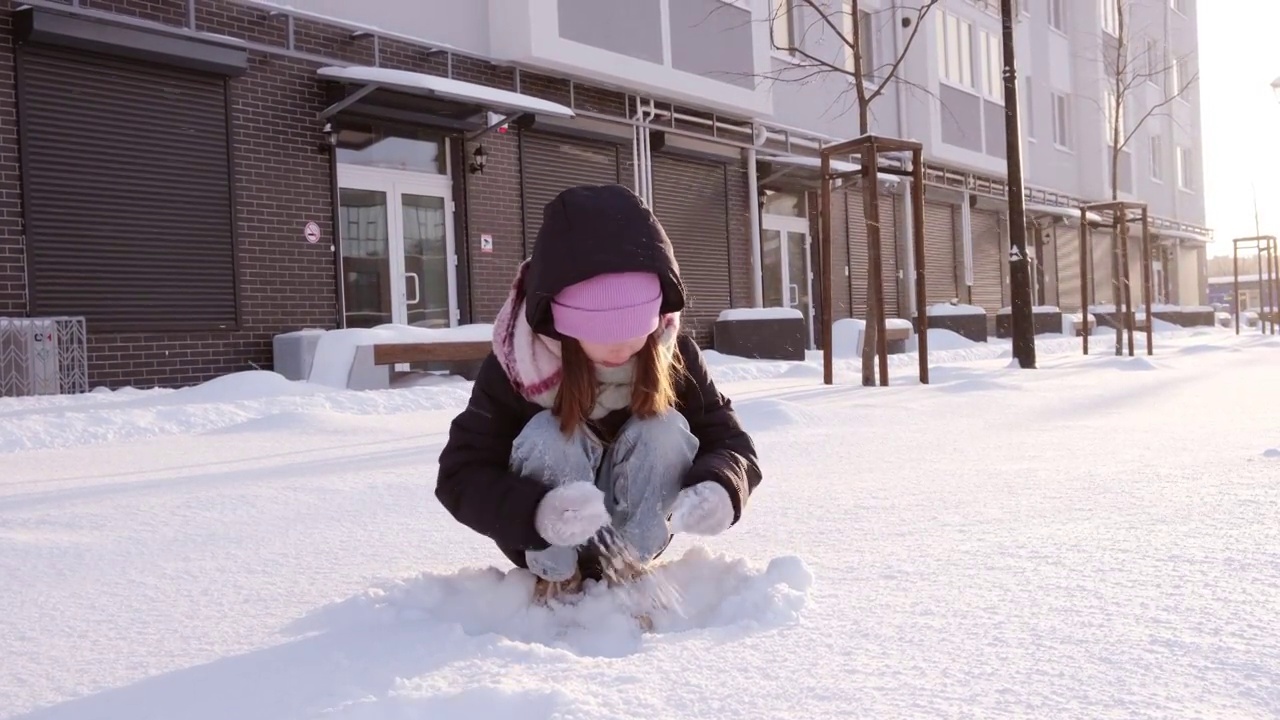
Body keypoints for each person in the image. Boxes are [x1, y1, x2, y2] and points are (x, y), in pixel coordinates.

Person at [435, 183, 762, 598]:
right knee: (550, 436)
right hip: (545, 544)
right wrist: (536, 514)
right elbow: (459, 475)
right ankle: (555, 576)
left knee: (663, 430)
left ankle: (632, 565)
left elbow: (731, 443)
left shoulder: (670, 351)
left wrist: (721, 488)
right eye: (601, 333)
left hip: (640, 539)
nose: (622, 349)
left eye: (635, 332)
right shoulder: (519, 363)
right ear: (562, 326)